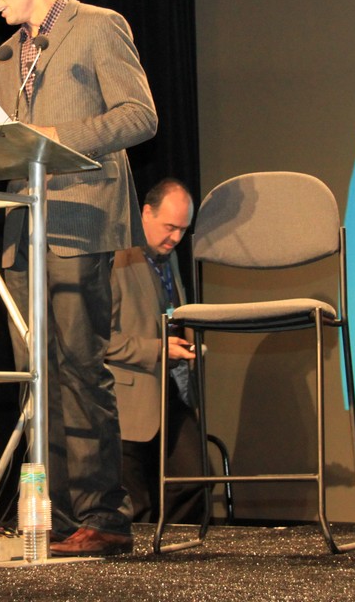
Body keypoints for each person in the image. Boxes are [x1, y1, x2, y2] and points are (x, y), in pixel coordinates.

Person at [0, 0, 157, 557]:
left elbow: (140, 116)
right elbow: (5, 138)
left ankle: (104, 518)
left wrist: (56, 135)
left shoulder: (98, 27)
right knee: (34, 376)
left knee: (80, 369)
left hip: (80, 220)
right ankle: (51, 518)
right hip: (21, 229)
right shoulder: (6, 55)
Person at [105, 179, 210, 524]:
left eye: (183, 230)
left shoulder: (169, 257)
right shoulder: (115, 257)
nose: (175, 238)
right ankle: (138, 555)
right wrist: (158, 349)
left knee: (194, 478)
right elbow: (97, 337)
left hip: (171, 389)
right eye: (170, 227)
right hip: (128, 396)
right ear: (145, 214)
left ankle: (172, 545)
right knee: (135, 503)